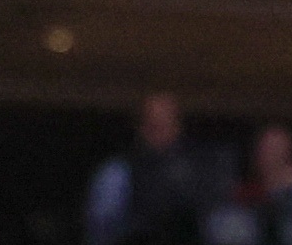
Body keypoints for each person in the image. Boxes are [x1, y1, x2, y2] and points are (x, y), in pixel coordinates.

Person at [84, 93, 207, 245]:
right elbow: (102, 225)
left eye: (166, 123)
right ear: (140, 127)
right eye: (153, 124)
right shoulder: (118, 171)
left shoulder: (198, 167)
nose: (159, 131)